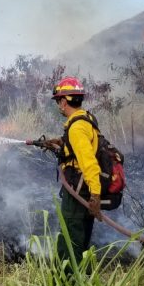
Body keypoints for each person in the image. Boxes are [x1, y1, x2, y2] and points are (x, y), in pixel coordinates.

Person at [48, 77, 102, 269]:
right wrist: (60, 144)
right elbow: (80, 149)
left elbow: (89, 163)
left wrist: (95, 195)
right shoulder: (85, 119)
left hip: (79, 193)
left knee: (69, 246)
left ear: (64, 101)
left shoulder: (77, 127)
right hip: (83, 190)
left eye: (58, 101)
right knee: (80, 243)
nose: (58, 106)